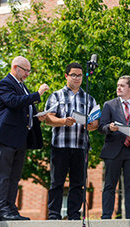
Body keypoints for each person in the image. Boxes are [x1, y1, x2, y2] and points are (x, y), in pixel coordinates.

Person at [0, 56, 49, 221]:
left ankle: (11, 208)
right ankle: (1, 209)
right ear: (16, 67)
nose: (28, 74)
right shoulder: (5, 84)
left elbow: (25, 108)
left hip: (21, 139)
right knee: (2, 175)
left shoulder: (22, 86)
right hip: (6, 137)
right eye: (26, 70)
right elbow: (13, 102)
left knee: (15, 176)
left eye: (29, 71)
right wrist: (37, 94)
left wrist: (38, 116)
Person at [45, 62, 99, 220]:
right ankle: (54, 215)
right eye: (73, 75)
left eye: (80, 75)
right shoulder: (56, 95)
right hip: (60, 146)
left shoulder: (89, 98)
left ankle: (74, 215)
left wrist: (91, 125)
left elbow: (96, 122)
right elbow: (48, 118)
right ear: (66, 76)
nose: (77, 78)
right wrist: (63, 121)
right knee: (57, 182)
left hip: (80, 147)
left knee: (78, 184)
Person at [99, 76, 130, 219]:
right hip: (113, 151)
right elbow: (101, 127)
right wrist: (109, 127)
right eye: (117, 85)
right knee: (109, 186)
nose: (118, 88)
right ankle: (106, 218)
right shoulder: (109, 105)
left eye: (122, 85)